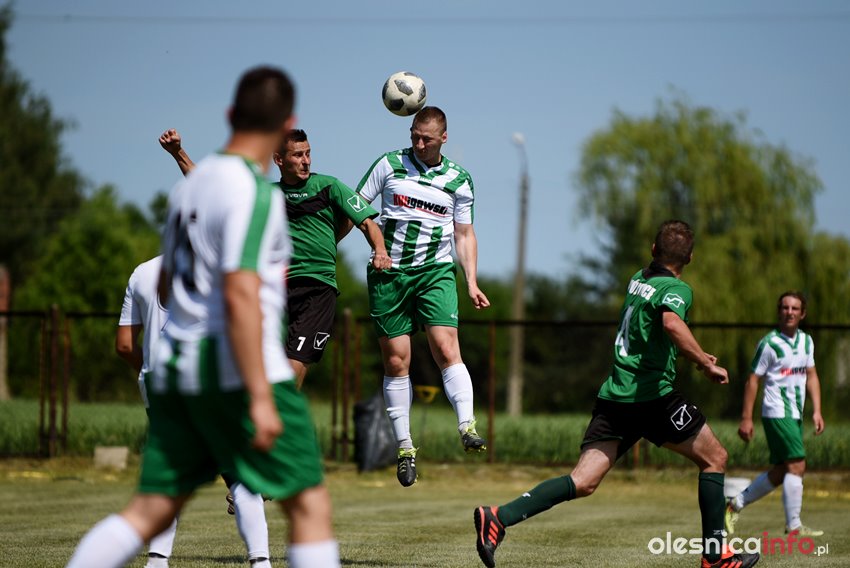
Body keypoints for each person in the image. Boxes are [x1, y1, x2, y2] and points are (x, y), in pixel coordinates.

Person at [67, 65, 340, 568]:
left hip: (178, 369)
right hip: (234, 368)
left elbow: (167, 284)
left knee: (148, 510)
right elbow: (240, 293)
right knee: (308, 505)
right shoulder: (259, 196)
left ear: (231, 114)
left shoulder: (189, 191)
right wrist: (260, 395)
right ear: (286, 125)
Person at [473, 220, 759, 568]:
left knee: (583, 481)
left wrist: (692, 353)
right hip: (652, 397)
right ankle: (715, 557)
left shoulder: (638, 278)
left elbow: (653, 326)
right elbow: (671, 323)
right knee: (715, 458)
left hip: (616, 396)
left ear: (653, 250)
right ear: (690, 258)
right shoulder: (677, 289)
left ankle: (498, 517)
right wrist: (703, 362)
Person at [160, 128, 391, 387]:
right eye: (298, 155)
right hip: (274, 289)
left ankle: (277, 411)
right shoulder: (265, 194)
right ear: (279, 159)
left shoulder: (329, 186)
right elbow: (208, 191)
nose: (306, 161)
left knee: (293, 368)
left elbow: (368, 223)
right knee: (258, 366)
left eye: (308, 154)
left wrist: (380, 251)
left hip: (317, 291)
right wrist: (178, 152)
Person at [353, 106, 490, 487]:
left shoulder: (458, 179)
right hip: (389, 274)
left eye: (426, 138)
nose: (418, 143)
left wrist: (471, 281)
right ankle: (405, 449)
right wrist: (349, 246)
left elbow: (464, 234)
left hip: (435, 272)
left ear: (443, 138)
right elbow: (356, 207)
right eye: (414, 135)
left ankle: (467, 426)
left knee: (446, 347)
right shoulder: (388, 164)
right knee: (397, 360)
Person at [116, 255, 273, 567]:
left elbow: (124, 345)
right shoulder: (220, 268)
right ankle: (261, 562)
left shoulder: (141, 272)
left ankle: (157, 561)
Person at [725, 291, 825, 537]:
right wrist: (746, 418)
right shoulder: (769, 343)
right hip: (777, 411)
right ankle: (794, 526)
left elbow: (811, 375)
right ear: (779, 311)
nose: (789, 312)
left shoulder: (807, 341)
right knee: (797, 464)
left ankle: (734, 504)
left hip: (795, 413)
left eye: (794, 308)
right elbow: (752, 380)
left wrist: (817, 410)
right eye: (785, 308)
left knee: (782, 471)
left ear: (802, 314)